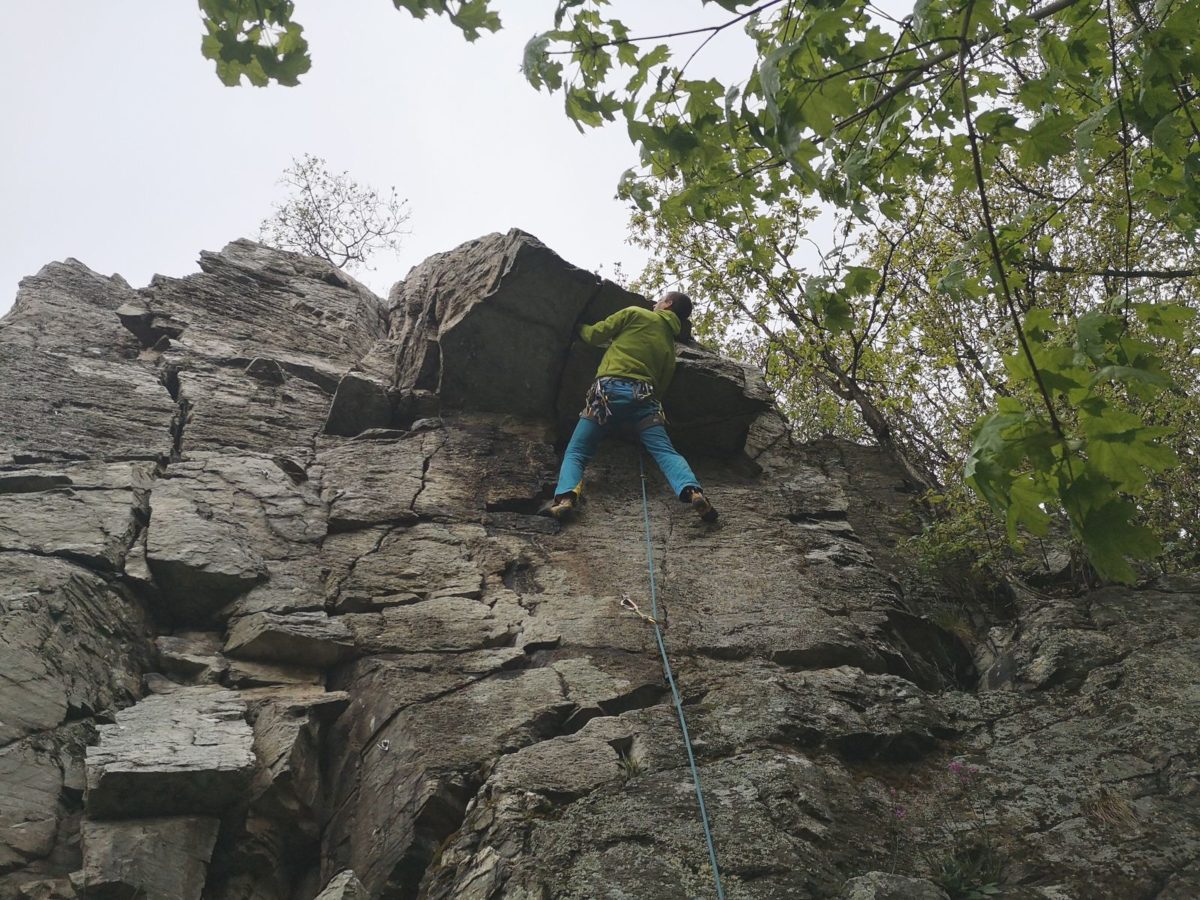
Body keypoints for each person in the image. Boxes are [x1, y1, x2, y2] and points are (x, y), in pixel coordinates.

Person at [547, 292, 717, 522]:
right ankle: (693, 491)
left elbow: (596, 335)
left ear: (668, 304)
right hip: (644, 400)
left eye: (660, 299)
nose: (655, 302)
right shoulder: (669, 346)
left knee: (578, 450)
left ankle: (566, 499)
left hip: (607, 394)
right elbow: (663, 384)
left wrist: (578, 327)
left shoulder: (636, 314)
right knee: (665, 451)